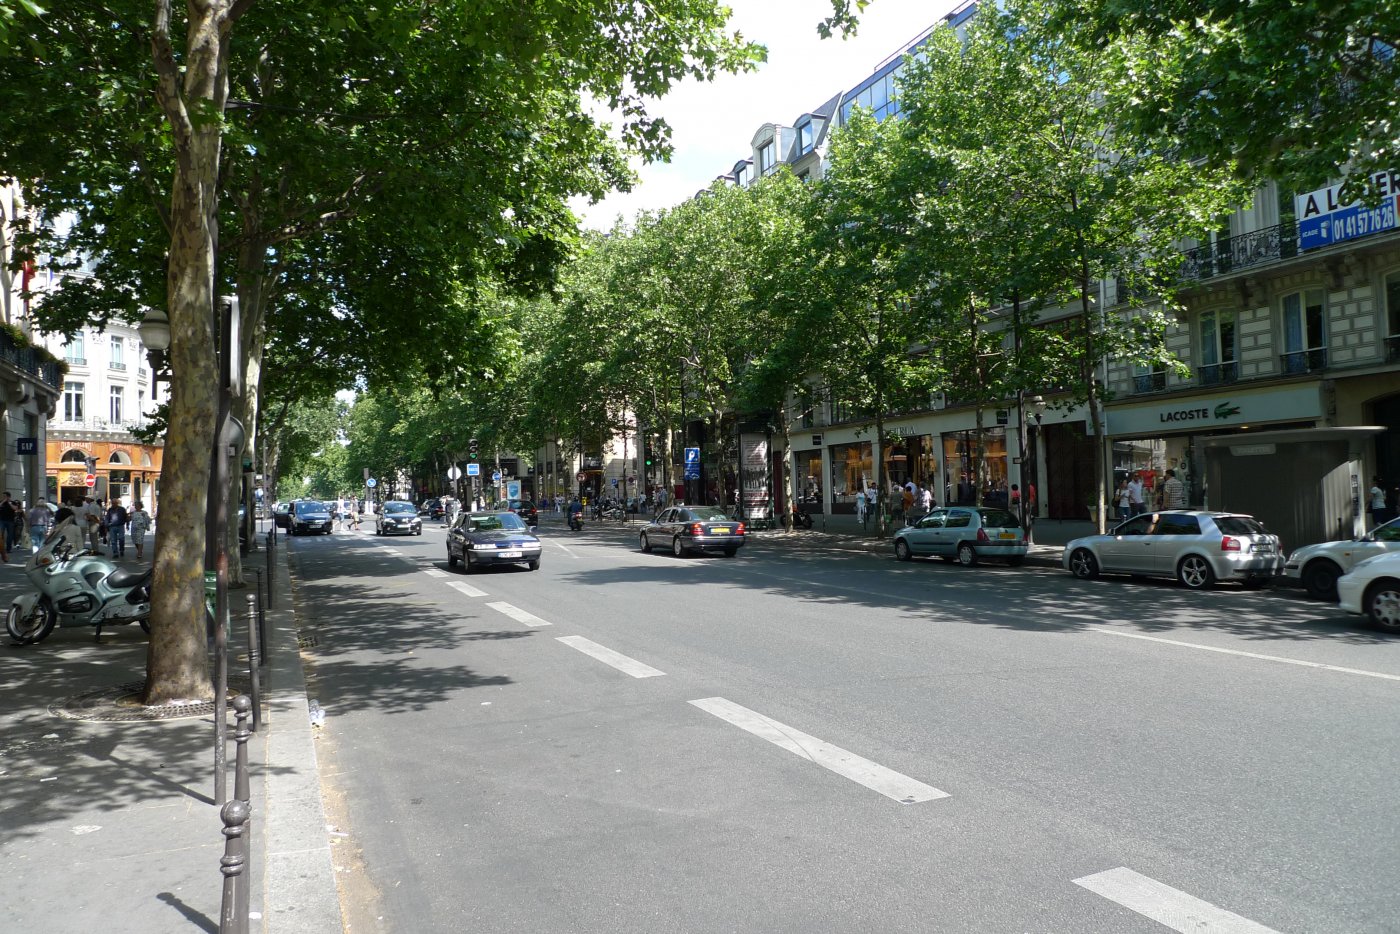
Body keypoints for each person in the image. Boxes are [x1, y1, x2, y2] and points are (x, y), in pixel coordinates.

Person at [0, 491, 17, 557]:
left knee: (10, 535)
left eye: (5, 496)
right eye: (3, 496)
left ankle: (8, 549)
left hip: (10, 521)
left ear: (9, 497)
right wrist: (3, 501)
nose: (4, 497)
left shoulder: (13, 502)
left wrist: (9, 503)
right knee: (1, 535)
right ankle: (1, 548)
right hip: (2, 521)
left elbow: (15, 509)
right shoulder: (1, 502)